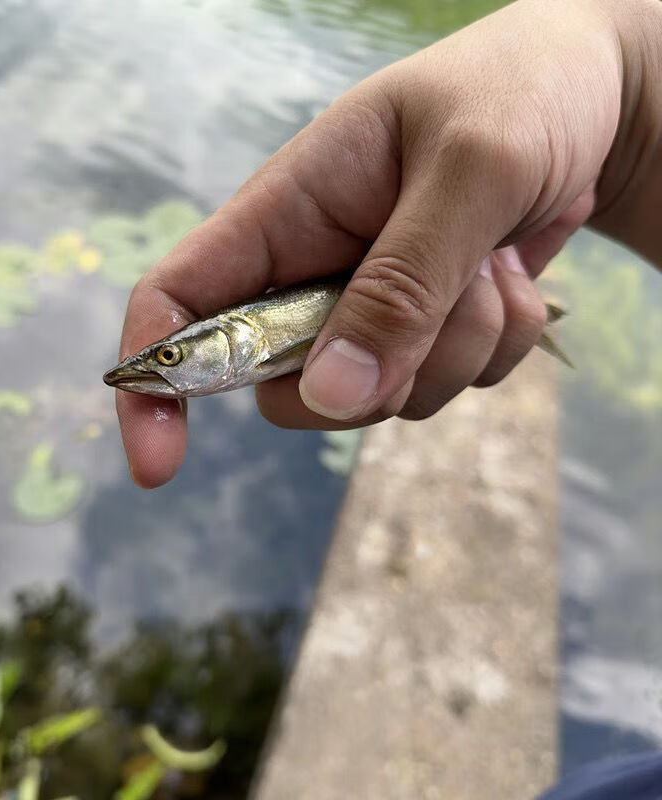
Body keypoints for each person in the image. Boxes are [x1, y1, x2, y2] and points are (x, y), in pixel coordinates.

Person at [113, 0, 662, 795]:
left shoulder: (246, 341)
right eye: (166, 358)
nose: (160, 366)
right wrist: (622, 70)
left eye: (172, 356)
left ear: (216, 348)